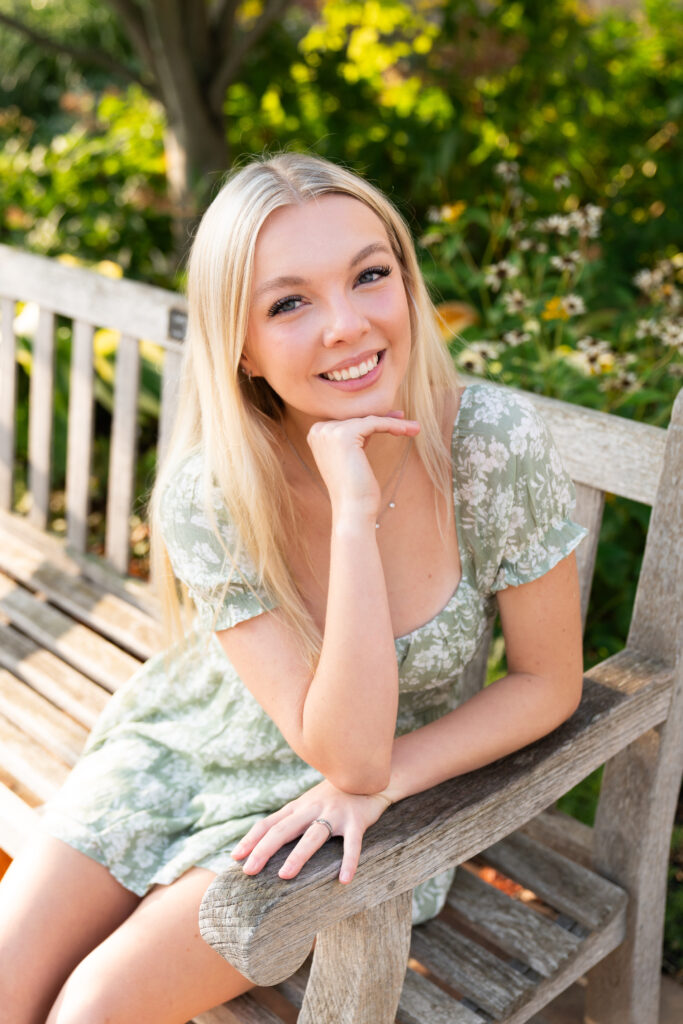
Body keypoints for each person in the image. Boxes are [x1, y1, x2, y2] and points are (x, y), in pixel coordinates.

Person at [0, 152, 587, 1024]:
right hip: (181, 752)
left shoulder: (488, 444)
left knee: (92, 1011)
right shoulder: (212, 491)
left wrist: (384, 781)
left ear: (405, 279)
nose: (346, 325)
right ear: (239, 346)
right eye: (289, 302)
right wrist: (352, 505)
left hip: (349, 809)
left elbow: (536, 687)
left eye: (369, 276)